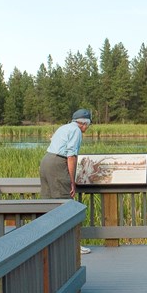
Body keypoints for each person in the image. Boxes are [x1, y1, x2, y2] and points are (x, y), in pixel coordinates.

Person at [40, 108, 92, 254]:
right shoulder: (76, 131)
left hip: (46, 161)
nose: (87, 127)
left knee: (48, 203)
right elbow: (71, 156)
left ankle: (48, 244)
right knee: (66, 205)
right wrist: (72, 181)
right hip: (58, 164)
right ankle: (72, 246)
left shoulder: (64, 127)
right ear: (84, 123)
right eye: (88, 124)